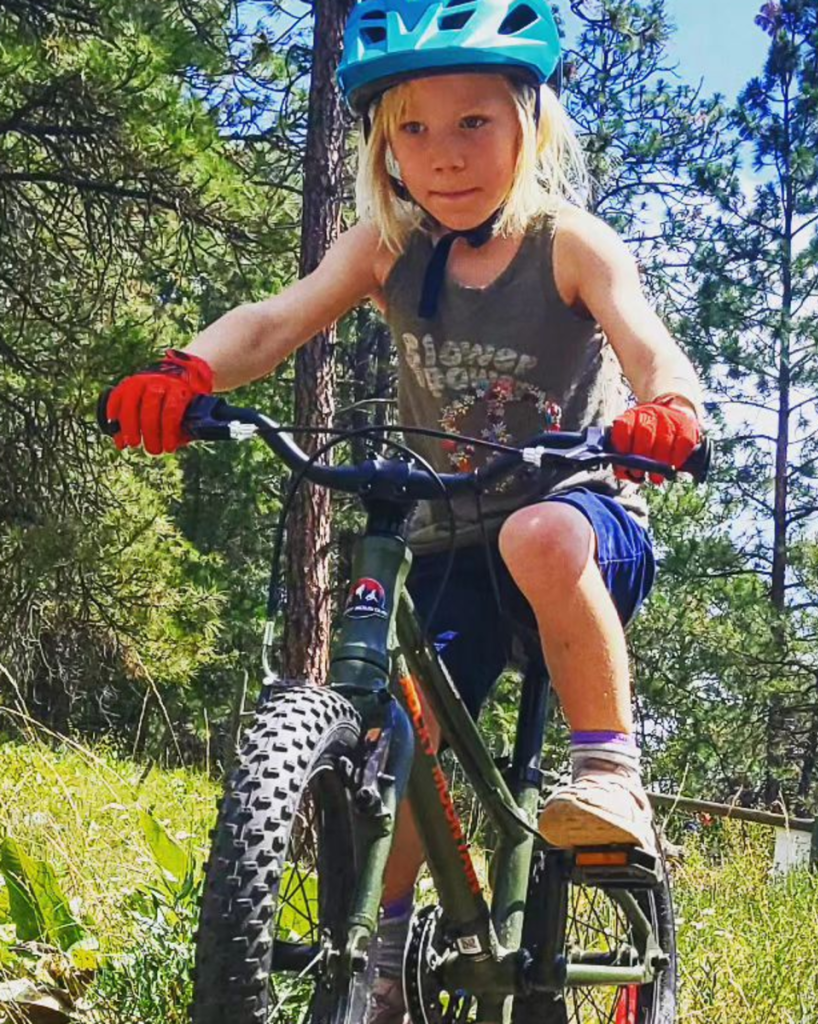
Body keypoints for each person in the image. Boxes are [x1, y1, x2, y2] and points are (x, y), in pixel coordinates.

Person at [102, 1, 705, 1017]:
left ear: (529, 125)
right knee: (398, 739)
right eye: (413, 129)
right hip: (456, 534)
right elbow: (278, 320)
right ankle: (378, 957)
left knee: (538, 528)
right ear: (384, 146)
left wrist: (672, 407)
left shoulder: (570, 246)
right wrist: (188, 367)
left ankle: (611, 772)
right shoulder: (390, 246)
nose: (444, 155)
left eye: (474, 122)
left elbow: (647, 341)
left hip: (582, 524)